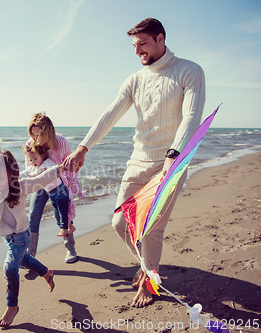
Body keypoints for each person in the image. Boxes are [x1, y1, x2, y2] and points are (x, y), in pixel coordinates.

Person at [64, 18, 205, 307]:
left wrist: (174, 155)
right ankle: (145, 265)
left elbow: (192, 116)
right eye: (134, 45)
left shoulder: (189, 71)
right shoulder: (134, 80)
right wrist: (83, 148)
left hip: (170, 163)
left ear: (160, 38)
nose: (137, 50)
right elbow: (110, 114)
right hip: (138, 159)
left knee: (151, 228)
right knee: (119, 222)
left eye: (143, 43)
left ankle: (150, 283)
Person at [0, 150, 59, 327]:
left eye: (1, 178)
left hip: (21, 236)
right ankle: (46, 272)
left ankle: (12, 306)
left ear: (11, 174)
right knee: (24, 260)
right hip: (8, 238)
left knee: (9, 268)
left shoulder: (20, 186)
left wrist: (60, 169)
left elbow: (41, 179)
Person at [25, 113, 84, 263]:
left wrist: (70, 186)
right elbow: (29, 167)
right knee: (33, 215)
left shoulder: (60, 141)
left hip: (59, 183)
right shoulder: (30, 144)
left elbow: (70, 164)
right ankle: (30, 256)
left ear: (48, 131)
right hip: (40, 183)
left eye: (39, 135)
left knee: (63, 216)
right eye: (33, 134)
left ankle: (70, 249)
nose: (36, 139)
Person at [22, 143, 76, 237]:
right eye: (30, 160)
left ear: (42, 156)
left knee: (62, 210)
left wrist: (46, 172)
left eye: (35, 158)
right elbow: (24, 174)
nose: (33, 161)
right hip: (51, 193)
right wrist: (13, 177)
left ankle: (64, 228)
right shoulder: (32, 168)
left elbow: (55, 169)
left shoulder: (46, 162)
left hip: (60, 190)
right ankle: (69, 226)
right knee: (58, 213)